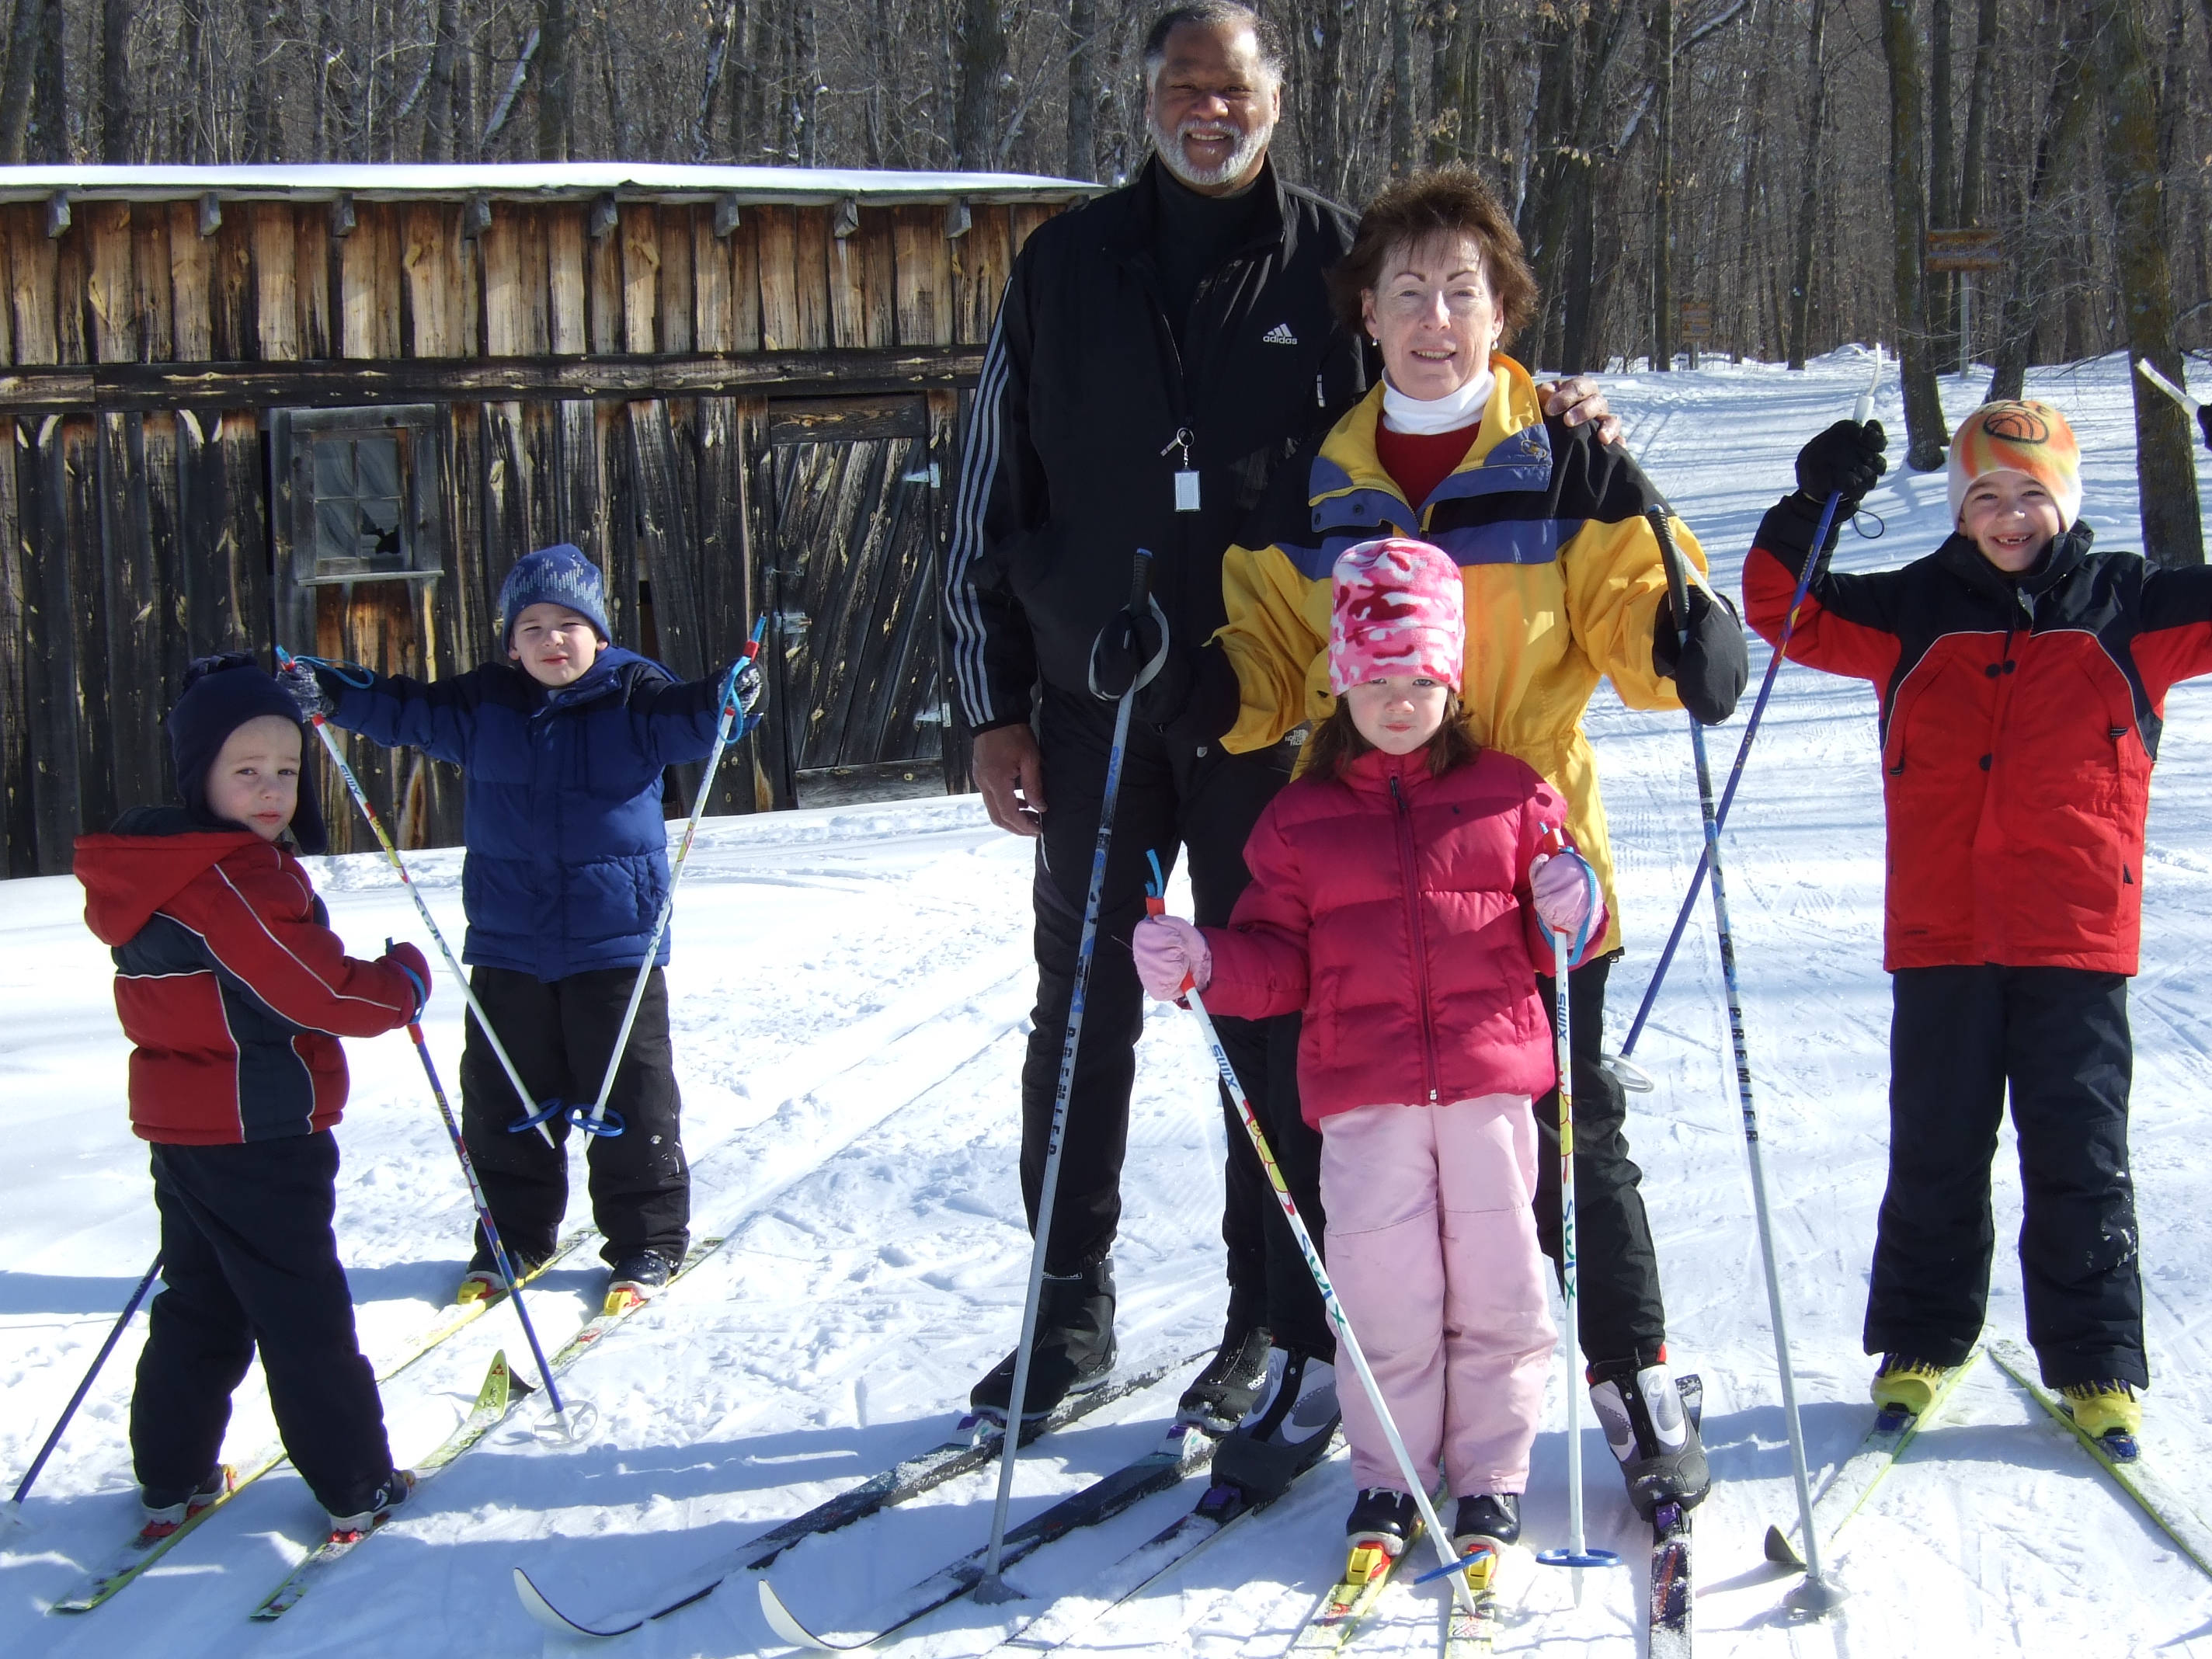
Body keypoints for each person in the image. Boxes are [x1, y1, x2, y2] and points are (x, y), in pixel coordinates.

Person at [944, 0, 1618, 1452]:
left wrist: (1564, 413)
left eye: (1232, 87)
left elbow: (1446, 381)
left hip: (1280, 716)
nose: (1208, 109)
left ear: (1273, 102)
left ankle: (1277, 1307)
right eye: (1183, 83)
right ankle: (1065, 1302)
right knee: (1087, 1001)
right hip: (1098, 713)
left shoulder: (1329, 259)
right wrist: (990, 700)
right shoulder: (1063, 267)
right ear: (1144, 98)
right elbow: (987, 491)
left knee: (1281, 995)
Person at [1148, 166, 1744, 1518]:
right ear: (1365, 312)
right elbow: (1271, 647)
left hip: (1526, 872)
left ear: (1501, 309)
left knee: (1563, 1128)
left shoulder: (1565, 455)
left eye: (1461, 290)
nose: (1434, 315)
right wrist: (1203, 688)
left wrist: (1678, 636)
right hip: (1355, 865)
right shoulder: (1323, 479)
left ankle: (1630, 1372)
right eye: (1406, 289)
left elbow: (1636, 606)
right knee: (1344, 1129)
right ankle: (1328, 1357)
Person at [1742, 400, 2210, 1449]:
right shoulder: (1916, 607)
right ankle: (1922, 1344)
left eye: (2031, 495)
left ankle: (2096, 1366)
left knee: (2081, 1156)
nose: (2009, 517)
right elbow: (1784, 612)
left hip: (2076, 940)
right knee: (1937, 1149)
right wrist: (1810, 504)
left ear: (2066, 502)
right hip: (1944, 937)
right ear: (1960, 508)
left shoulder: (2128, 606)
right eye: (1986, 496)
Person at [1132, 537, 1604, 1570]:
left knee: (1498, 1291)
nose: (1400, 700)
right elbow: (1276, 963)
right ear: (1342, 683)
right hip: (1365, 1104)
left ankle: (1489, 1476)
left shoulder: (1509, 797)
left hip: (1487, 1093)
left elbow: (1558, 936)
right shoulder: (1298, 822)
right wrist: (1203, 960)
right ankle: (1390, 1477)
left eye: (1421, 677)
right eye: (1377, 678)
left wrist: (1575, 906)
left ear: (1452, 680)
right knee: (1384, 1297)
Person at [290, 544, 752, 1313]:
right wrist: (332, 692)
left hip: (616, 947)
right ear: (511, 642)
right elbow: (405, 710)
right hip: (509, 940)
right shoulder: (486, 705)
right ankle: (513, 1235)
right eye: (532, 626)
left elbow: (697, 721)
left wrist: (733, 697)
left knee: (630, 1098)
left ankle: (646, 1240)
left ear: (600, 635)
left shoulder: (635, 696)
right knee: (504, 1097)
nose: (551, 640)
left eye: (569, 623)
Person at [74, 654, 430, 1541]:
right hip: (258, 1129)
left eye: (287, 770)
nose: (272, 790)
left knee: (202, 1300)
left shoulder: (158, 869)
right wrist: (403, 985)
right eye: (247, 771)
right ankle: (356, 1483)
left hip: (184, 1127)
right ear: (200, 775)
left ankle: (173, 1478)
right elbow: (318, 993)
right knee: (300, 1308)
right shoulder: (232, 876)